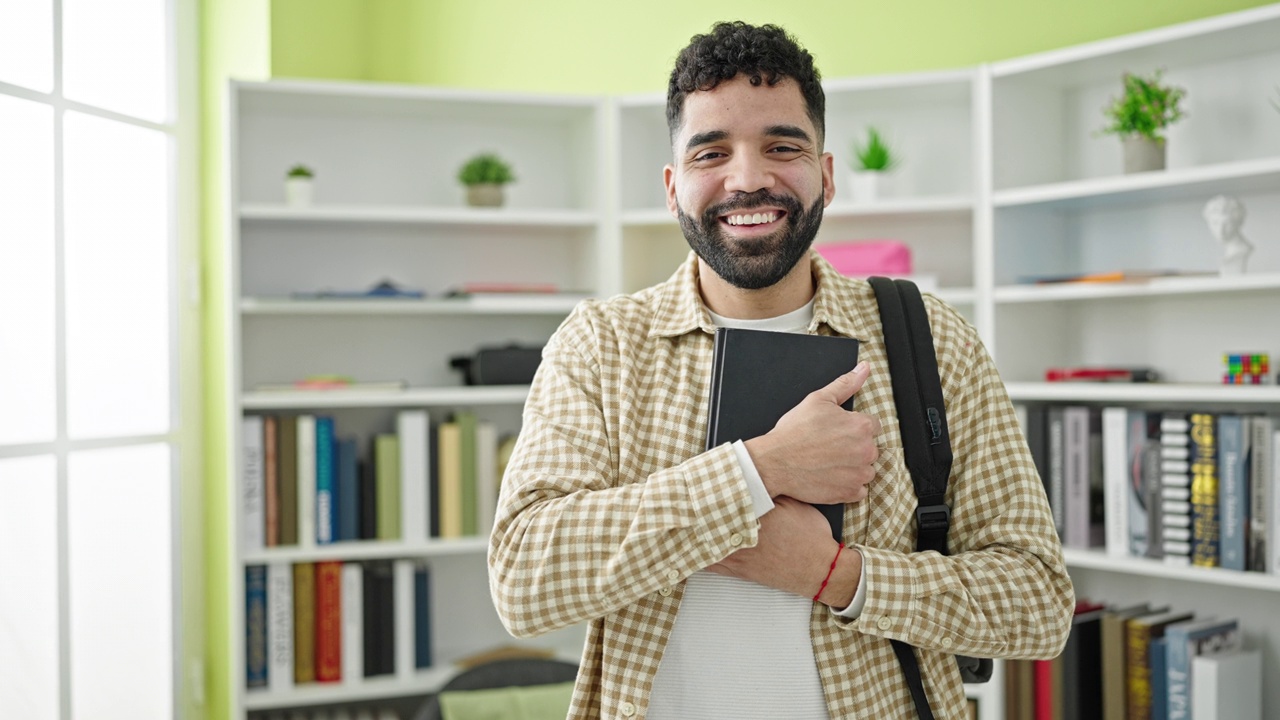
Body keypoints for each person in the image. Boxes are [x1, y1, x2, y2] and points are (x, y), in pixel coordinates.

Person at [489, 21, 1073, 719]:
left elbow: (1039, 604)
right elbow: (524, 583)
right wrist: (757, 472)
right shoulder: (601, 346)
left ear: (825, 174)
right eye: (712, 152)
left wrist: (836, 575)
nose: (749, 179)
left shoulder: (931, 337)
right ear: (674, 188)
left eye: (782, 146)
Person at [1203, 194, 1253, 275]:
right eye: (1215, 223)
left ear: (1238, 223)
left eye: (1227, 223)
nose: (1220, 230)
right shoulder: (1229, 253)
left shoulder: (1242, 252)